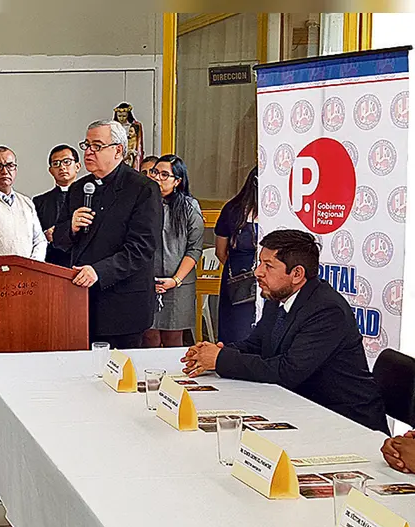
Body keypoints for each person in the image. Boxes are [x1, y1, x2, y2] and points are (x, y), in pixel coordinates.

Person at [182, 230, 389, 434]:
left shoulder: (327, 310)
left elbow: (287, 372)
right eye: (260, 262)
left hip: (348, 422)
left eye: (268, 266)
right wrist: (211, 353)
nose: (257, 272)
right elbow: (257, 344)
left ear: (297, 274)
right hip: (303, 408)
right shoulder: (279, 295)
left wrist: (221, 360)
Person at [51, 120, 163, 349]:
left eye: (97, 146)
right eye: (87, 145)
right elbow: (60, 241)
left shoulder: (142, 189)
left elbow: (141, 248)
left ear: (118, 150)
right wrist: (70, 227)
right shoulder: (78, 188)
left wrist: (98, 271)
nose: (89, 152)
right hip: (81, 301)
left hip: (123, 303)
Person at [143, 155, 204, 348]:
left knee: (173, 340)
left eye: (164, 174)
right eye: (154, 172)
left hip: (178, 284)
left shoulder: (188, 207)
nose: (157, 178)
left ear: (177, 181)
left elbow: (194, 249)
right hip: (147, 282)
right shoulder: (142, 204)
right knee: (148, 337)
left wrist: (175, 280)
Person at [215, 167, 259, 343]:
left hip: (271, 280)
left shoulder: (280, 211)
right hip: (239, 279)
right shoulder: (233, 210)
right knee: (237, 330)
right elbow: (220, 251)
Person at [33, 144, 81, 267]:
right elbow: (33, 234)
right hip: (52, 261)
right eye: (56, 163)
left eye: (67, 162)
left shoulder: (90, 197)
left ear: (77, 166)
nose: (62, 167)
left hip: (81, 261)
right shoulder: (39, 201)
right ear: (50, 170)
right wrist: (45, 235)